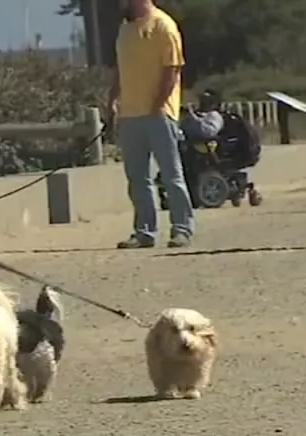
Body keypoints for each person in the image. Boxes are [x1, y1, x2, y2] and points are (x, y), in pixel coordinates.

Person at [111, 0, 195, 249]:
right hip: (130, 114)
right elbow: (120, 67)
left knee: (171, 174)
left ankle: (182, 228)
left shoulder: (163, 26)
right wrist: (113, 98)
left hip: (159, 114)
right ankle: (144, 230)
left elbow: (172, 70)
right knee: (137, 177)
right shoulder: (124, 29)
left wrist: (158, 104)